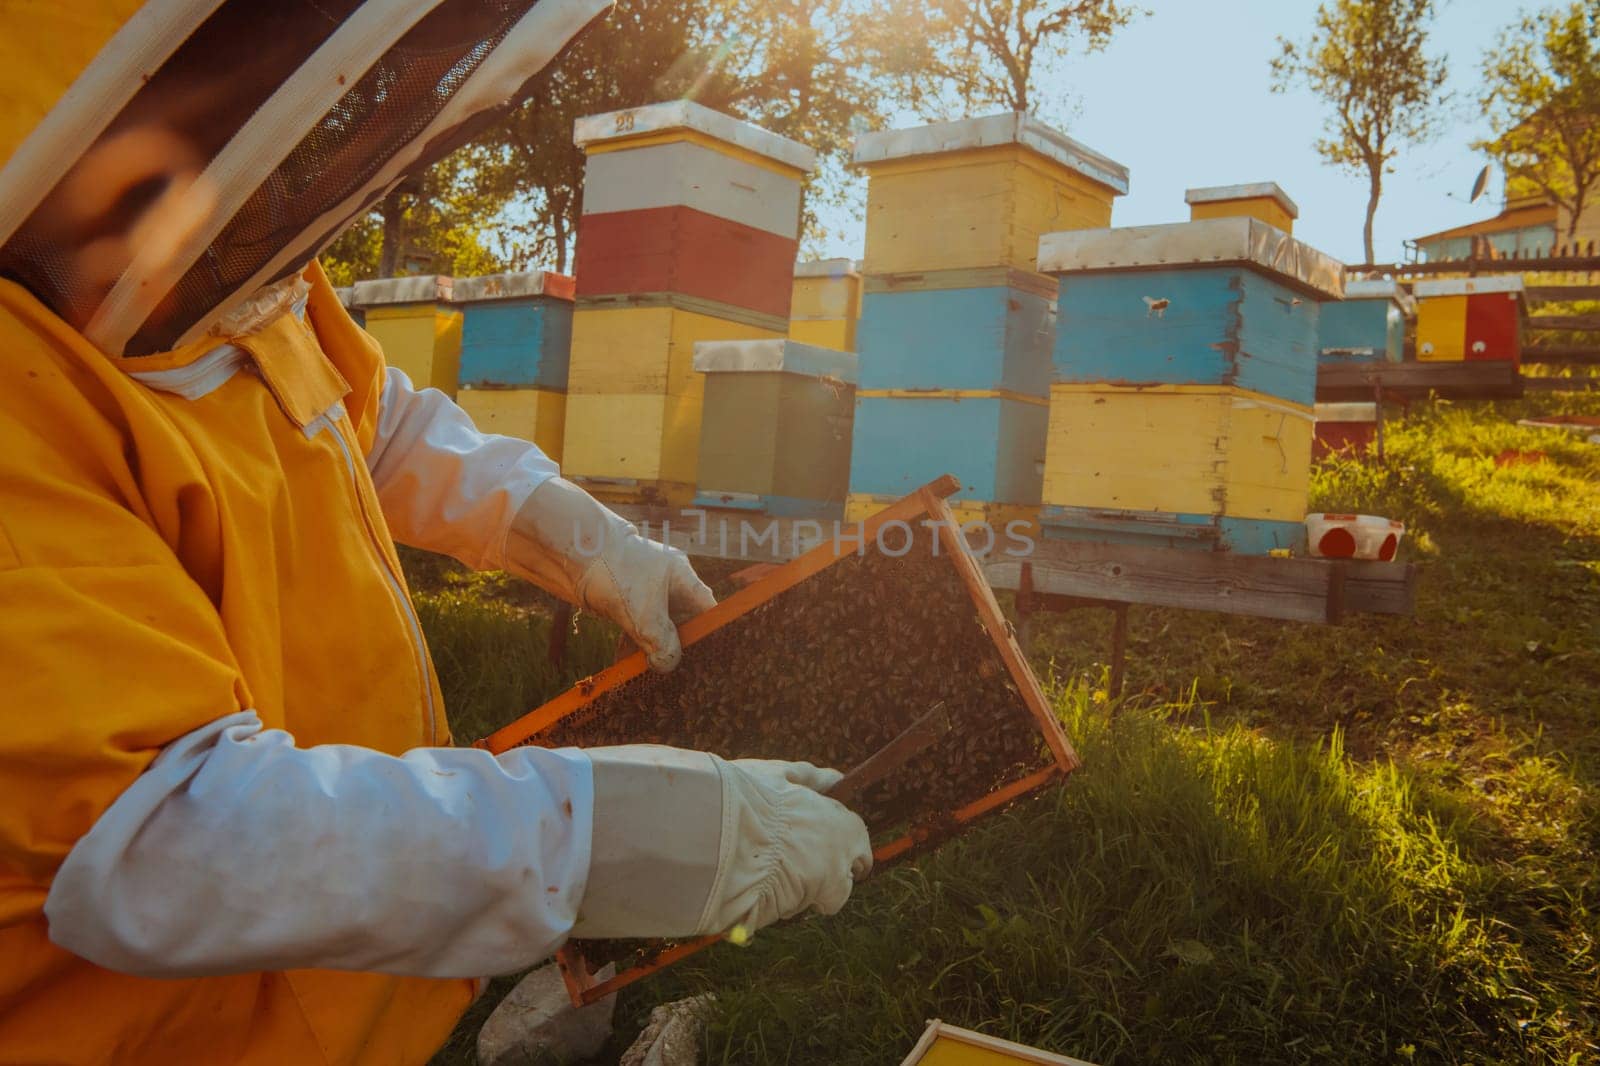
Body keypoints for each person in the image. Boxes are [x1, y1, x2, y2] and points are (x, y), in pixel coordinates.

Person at [0, 3, 872, 1062]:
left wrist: (582, 540)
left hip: (372, 965)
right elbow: (166, 835)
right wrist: (631, 834)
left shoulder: (246, 281)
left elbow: (376, 424)